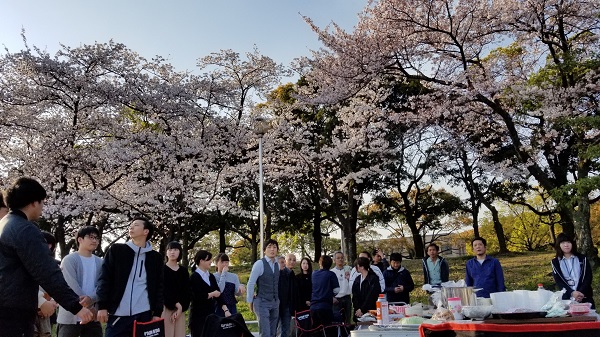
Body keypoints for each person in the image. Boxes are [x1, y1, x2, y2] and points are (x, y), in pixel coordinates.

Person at [0, 177, 93, 337]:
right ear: (33, 202)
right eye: (42, 202)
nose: (43, 208)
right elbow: (47, 272)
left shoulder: (4, 225)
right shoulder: (25, 230)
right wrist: (76, 306)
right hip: (14, 313)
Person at [96, 217, 164, 337]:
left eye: (136, 225)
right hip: (118, 313)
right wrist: (102, 306)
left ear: (146, 231)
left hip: (143, 314)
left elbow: (160, 286)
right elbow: (105, 278)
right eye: (131, 225)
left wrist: (157, 312)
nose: (131, 227)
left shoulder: (155, 257)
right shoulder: (117, 250)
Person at [56, 226, 103, 337]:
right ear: (80, 239)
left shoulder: (100, 262)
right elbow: (71, 285)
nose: (94, 240)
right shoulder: (69, 260)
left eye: (97, 238)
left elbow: (102, 285)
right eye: (91, 237)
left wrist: (92, 299)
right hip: (70, 315)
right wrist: (89, 307)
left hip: (92, 317)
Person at [247, 239, 280, 337]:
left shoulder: (277, 264)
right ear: (264, 250)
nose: (272, 249)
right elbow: (251, 283)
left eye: (274, 247)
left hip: (275, 302)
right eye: (269, 247)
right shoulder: (259, 264)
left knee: (273, 333)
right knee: (265, 333)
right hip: (262, 302)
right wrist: (250, 301)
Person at [551, 233, 595, 308]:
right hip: (567, 299)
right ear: (559, 245)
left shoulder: (582, 259)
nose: (566, 245)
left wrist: (580, 293)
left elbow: (588, 277)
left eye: (568, 242)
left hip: (584, 296)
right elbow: (559, 281)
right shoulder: (555, 262)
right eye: (562, 243)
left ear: (572, 244)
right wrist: (572, 293)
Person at [189, 250, 227, 337]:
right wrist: (212, 294)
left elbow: (218, 293)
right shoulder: (194, 277)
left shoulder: (211, 276)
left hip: (211, 315)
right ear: (201, 261)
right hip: (198, 316)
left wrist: (226, 310)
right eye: (208, 260)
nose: (210, 262)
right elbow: (196, 296)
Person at [35, 231, 61, 337]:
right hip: (28, 306)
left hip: (48, 308)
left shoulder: (55, 265)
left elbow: (60, 288)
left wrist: (52, 304)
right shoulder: (24, 260)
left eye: (51, 244)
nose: (48, 246)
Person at [162, 241, 191, 337]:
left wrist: (181, 307)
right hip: (166, 307)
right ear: (166, 252)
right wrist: (176, 304)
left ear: (180, 252)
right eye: (170, 250)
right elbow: (164, 290)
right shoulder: (162, 269)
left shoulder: (183, 271)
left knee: (180, 334)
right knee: (167, 333)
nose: (172, 252)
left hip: (181, 310)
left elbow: (186, 290)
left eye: (175, 250)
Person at [310, 255, 339, 337]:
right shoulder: (331, 274)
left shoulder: (314, 273)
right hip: (325, 306)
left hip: (313, 306)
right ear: (330, 264)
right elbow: (337, 290)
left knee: (316, 331)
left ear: (320, 263)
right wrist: (331, 295)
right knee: (329, 330)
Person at [351, 257, 380, 324]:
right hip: (359, 313)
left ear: (361, 266)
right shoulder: (357, 279)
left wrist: (362, 309)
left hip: (371, 312)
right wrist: (358, 309)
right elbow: (354, 296)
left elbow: (371, 296)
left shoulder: (373, 279)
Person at [277, 254, 296, 337]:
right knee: (275, 329)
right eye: (290, 259)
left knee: (286, 330)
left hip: (287, 306)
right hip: (277, 305)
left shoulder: (291, 274)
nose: (292, 262)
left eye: (294, 260)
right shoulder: (277, 274)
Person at [330, 251, 352, 325]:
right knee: (337, 321)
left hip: (347, 298)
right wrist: (332, 297)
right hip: (336, 299)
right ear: (334, 260)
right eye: (338, 258)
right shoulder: (331, 272)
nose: (340, 260)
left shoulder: (348, 269)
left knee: (347, 320)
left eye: (342, 258)